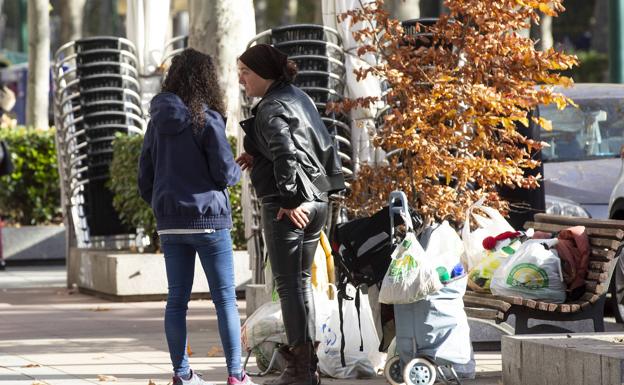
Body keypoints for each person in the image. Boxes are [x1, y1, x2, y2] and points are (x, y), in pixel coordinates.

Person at [138, 48, 255, 385]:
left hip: (170, 223)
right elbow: (222, 173)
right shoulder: (207, 118)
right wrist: (237, 168)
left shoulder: (156, 122)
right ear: (207, 80)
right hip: (209, 222)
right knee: (225, 300)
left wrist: (162, 204)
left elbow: (144, 175)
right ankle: (235, 375)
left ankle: (182, 374)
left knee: (177, 300)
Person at [236, 44, 346, 385]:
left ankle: (299, 369)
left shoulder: (270, 107)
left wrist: (289, 197)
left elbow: (287, 153)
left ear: (265, 74)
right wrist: (259, 156)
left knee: (289, 286)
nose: (241, 78)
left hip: (291, 206)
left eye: (246, 72)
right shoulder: (298, 97)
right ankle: (304, 366)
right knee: (299, 285)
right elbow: (311, 146)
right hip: (317, 201)